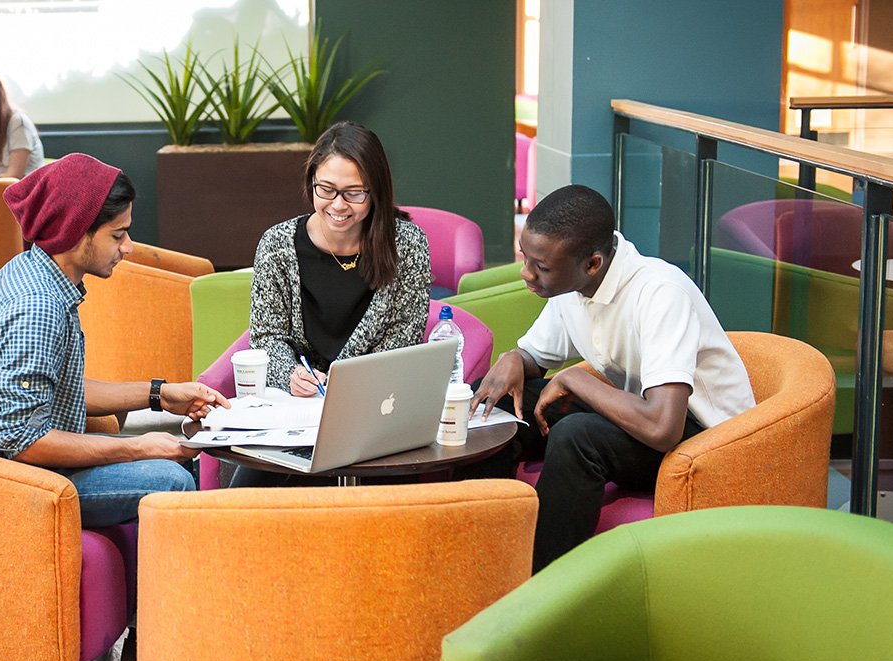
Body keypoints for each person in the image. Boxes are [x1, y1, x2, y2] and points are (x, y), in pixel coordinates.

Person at [464, 184, 755, 572]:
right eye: (526, 258)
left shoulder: (659, 292)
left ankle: (546, 587)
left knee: (578, 436)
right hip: (641, 414)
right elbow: (536, 355)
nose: (526, 273)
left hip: (708, 442)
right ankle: (483, 555)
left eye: (542, 267)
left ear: (593, 263)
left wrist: (577, 380)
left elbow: (663, 427)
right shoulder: (574, 285)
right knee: (494, 401)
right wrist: (512, 359)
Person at [0, 153, 229, 526]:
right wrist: (136, 448)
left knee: (176, 468)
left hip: (2, 461)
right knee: (173, 481)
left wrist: (161, 394)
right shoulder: (37, 308)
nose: (129, 247)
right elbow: (22, 441)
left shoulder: (36, 272)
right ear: (75, 230)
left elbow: (59, 388)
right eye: (117, 235)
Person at [230, 121, 431, 487]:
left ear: (376, 192)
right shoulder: (277, 244)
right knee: (244, 500)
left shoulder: (408, 245)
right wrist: (290, 374)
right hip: (294, 410)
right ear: (311, 183)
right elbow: (267, 336)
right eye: (326, 189)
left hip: (373, 411)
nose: (338, 205)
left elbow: (405, 336)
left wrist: (346, 386)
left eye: (354, 193)